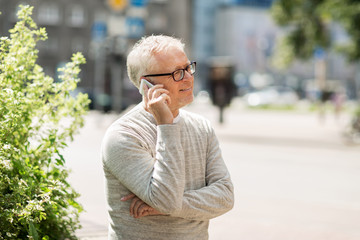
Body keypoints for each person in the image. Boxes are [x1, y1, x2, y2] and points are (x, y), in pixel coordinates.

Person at [101, 35, 234, 240]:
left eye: (188, 68)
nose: (189, 78)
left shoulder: (201, 127)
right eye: (177, 73)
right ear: (147, 85)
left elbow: (225, 197)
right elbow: (166, 200)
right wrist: (166, 125)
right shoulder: (123, 135)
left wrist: (164, 207)